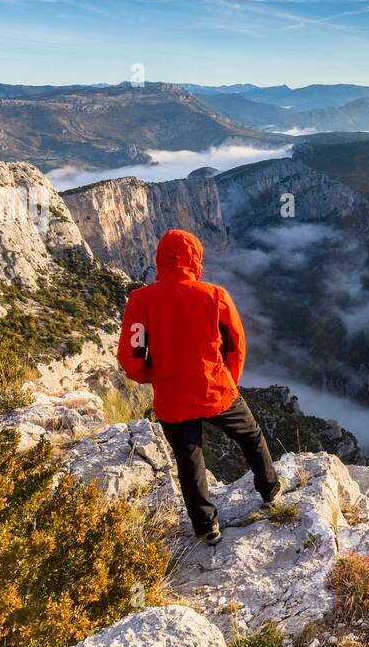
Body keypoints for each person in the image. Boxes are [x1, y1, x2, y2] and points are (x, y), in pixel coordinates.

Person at [117, 229, 284, 544]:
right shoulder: (215, 295)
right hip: (215, 390)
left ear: (159, 259)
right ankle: (271, 491)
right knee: (251, 436)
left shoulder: (140, 300)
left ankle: (206, 527)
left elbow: (132, 354)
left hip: (171, 397)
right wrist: (228, 380)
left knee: (189, 459)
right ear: (196, 259)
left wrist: (151, 376)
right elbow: (236, 344)